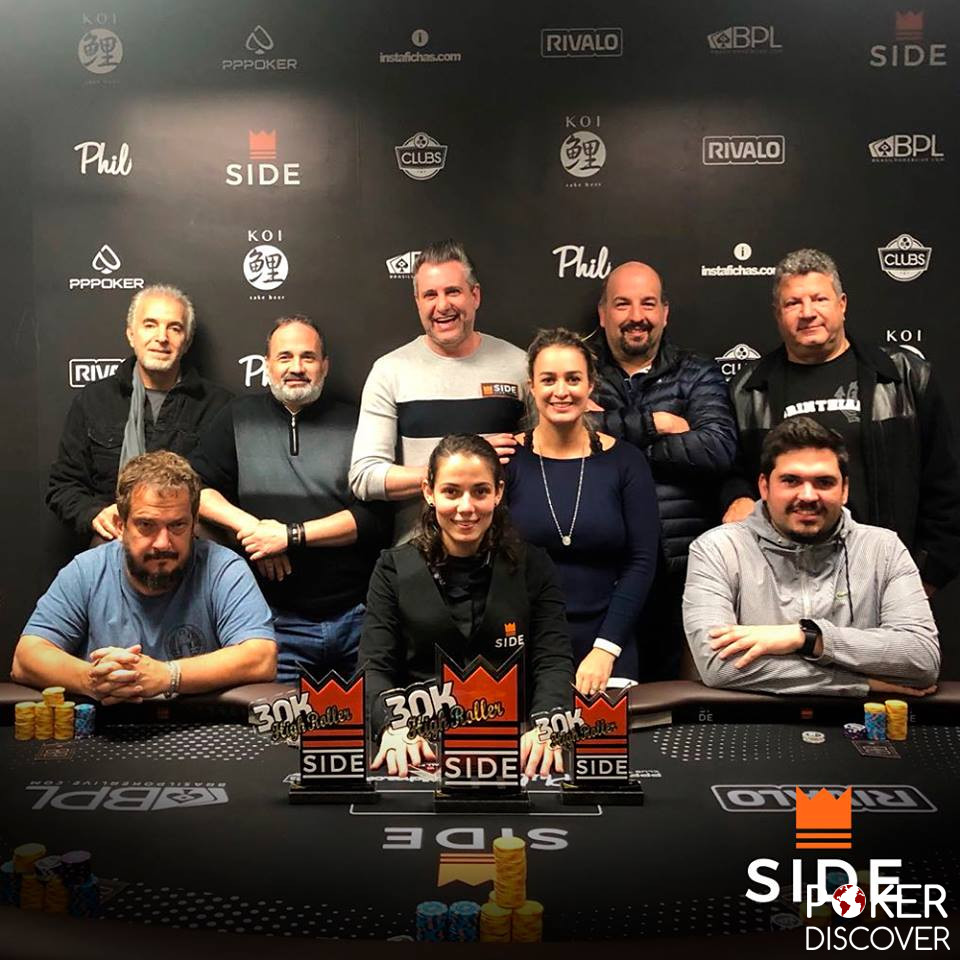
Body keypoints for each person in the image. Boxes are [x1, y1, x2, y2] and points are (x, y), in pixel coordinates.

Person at [721, 248, 960, 594]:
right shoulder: (746, 391)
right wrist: (737, 496)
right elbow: (731, 474)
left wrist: (924, 579)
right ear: (777, 314)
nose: (808, 313)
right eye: (793, 303)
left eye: (819, 299)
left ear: (842, 304)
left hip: (884, 581)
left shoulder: (905, 377)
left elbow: (944, 485)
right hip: (783, 587)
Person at [360, 434, 574, 779]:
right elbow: (373, 668)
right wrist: (391, 723)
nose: (466, 507)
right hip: (420, 747)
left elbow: (552, 660)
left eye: (480, 491)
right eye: (451, 492)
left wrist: (548, 724)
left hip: (516, 744)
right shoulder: (392, 568)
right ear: (429, 492)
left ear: (498, 493)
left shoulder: (534, 565)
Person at [189, 315, 390, 683]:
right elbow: (197, 489)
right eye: (285, 357)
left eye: (308, 357)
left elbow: (373, 517)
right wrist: (254, 529)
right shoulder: (237, 417)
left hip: (357, 619)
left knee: (369, 720)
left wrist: (289, 536)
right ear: (267, 365)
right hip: (273, 624)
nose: (296, 367)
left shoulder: (357, 422)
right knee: (276, 722)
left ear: (324, 366)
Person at [684, 417, 940, 697]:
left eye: (824, 482)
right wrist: (859, 683)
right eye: (791, 480)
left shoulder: (884, 549)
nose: (807, 495)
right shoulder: (717, 549)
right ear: (764, 487)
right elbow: (719, 666)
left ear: (844, 490)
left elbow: (922, 658)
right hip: (754, 719)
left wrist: (806, 637)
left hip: (857, 720)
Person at [13, 452, 276, 703]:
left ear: (194, 523)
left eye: (177, 525)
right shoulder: (87, 570)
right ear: (120, 525)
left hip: (199, 722)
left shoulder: (223, 569)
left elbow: (261, 658)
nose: (162, 543)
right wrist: (93, 679)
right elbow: (26, 658)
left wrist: (168, 676)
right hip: (108, 722)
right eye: (146, 525)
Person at [591, 262, 737, 679]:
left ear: (665, 312)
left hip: (680, 569)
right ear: (603, 313)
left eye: (648, 303)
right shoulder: (581, 373)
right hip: (602, 568)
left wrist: (616, 440)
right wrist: (657, 423)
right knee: (608, 693)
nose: (637, 316)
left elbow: (717, 448)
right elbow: (565, 437)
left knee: (681, 694)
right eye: (623, 304)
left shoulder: (697, 372)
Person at [506, 328, 659, 694]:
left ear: (591, 385)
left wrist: (605, 649)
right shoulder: (507, 461)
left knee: (606, 732)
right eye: (548, 380)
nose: (561, 391)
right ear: (531, 387)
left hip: (608, 643)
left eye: (573, 379)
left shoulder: (626, 461)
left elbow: (641, 562)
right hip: (526, 643)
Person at [349, 239, 527, 544]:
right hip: (419, 555)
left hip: (505, 553)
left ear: (475, 295)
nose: (442, 306)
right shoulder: (390, 371)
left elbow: (550, 458)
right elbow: (365, 477)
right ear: (418, 302)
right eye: (430, 295)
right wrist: (459, 466)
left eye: (453, 291)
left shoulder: (520, 366)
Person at [47, 284, 231, 544]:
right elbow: (64, 485)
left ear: (187, 342)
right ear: (131, 335)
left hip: (192, 539)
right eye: (150, 325)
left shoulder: (219, 406)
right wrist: (94, 514)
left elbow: (232, 491)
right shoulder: (94, 401)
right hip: (116, 537)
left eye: (174, 328)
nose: (161, 337)